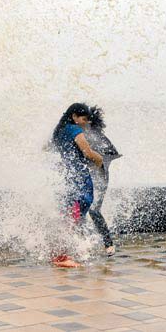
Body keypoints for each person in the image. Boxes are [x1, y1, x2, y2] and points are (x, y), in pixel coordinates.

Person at [49, 103, 103, 268]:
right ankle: (61, 257)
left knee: (70, 215)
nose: (85, 123)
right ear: (74, 117)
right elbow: (87, 152)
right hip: (78, 178)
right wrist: (99, 159)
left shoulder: (59, 133)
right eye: (83, 119)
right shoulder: (74, 130)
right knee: (73, 215)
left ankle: (62, 253)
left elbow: (48, 148)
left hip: (67, 177)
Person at [84, 105, 121, 256]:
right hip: (88, 177)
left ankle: (108, 243)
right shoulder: (80, 134)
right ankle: (86, 242)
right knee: (85, 210)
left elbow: (113, 154)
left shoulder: (98, 136)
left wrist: (96, 159)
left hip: (100, 177)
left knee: (93, 210)